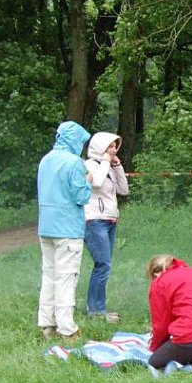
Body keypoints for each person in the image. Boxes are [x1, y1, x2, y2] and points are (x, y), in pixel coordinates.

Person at [36, 121, 93, 342]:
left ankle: (46, 324)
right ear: (74, 140)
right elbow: (81, 197)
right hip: (67, 228)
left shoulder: (46, 160)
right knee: (67, 277)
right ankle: (67, 328)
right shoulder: (74, 163)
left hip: (46, 226)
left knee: (49, 275)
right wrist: (87, 180)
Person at [84, 132, 129, 324]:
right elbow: (97, 182)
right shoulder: (89, 165)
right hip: (94, 220)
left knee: (104, 264)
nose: (113, 150)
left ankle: (96, 307)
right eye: (109, 147)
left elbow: (124, 190)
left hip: (110, 220)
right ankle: (95, 310)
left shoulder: (108, 167)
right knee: (103, 264)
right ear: (99, 148)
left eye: (114, 147)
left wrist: (117, 166)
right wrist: (104, 162)